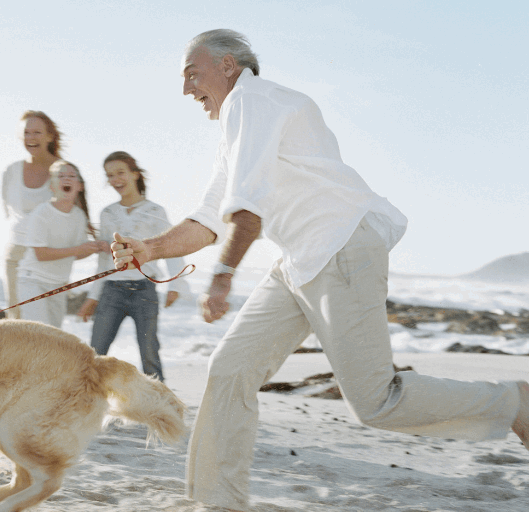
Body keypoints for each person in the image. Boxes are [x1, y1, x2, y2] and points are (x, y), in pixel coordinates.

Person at [111, 29, 529, 512]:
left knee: (376, 401)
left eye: (192, 74)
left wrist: (223, 275)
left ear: (227, 66)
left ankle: (514, 402)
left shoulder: (254, 100)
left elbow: (247, 213)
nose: (186, 89)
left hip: (340, 244)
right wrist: (151, 246)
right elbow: (209, 219)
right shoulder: (238, 126)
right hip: (299, 259)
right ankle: (217, 502)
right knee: (229, 368)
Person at [76, 151, 190, 382]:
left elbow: (170, 248)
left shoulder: (156, 211)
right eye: (110, 175)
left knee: (149, 353)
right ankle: (87, 407)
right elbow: (104, 261)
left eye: (120, 172)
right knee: (95, 353)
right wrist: (93, 297)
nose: (116, 179)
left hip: (144, 291)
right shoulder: (107, 214)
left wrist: (175, 284)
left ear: (135, 174)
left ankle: (159, 411)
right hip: (111, 292)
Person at [14, 160, 108, 328]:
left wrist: (96, 247)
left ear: (80, 186)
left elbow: (76, 253)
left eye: (72, 176)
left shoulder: (79, 216)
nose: (66, 179)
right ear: (52, 186)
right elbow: (40, 254)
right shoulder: (41, 213)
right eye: (61, 176)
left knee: (55, 338)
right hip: (32, 281)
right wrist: (79, 248)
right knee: (41, 336)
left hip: (58, 285)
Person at [1, 111, 63, 319]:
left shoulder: (63, 171)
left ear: (49, 136)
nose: (31, 138)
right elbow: (7, 210)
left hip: (47, 257)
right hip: (16, 255)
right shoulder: (11, 171)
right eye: (26, 133)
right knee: (15, 323)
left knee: (46, 328)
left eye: (37, 132)